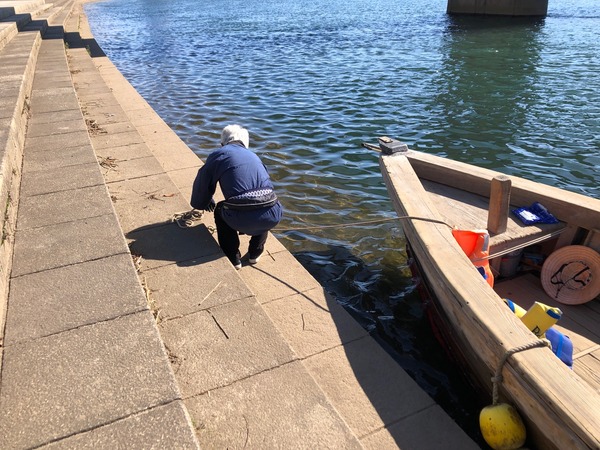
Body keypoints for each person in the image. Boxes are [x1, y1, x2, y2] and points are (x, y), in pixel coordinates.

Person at [190, 125, 283, 269]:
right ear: (245, 143)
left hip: (241, 216)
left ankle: (233, 257)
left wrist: (204, 201)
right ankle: (255, 252)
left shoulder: (219, 154)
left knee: (220, 209)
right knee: (263, 203)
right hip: (273, 212)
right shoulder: (254, 156)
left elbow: (203, 182)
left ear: (222, 143)